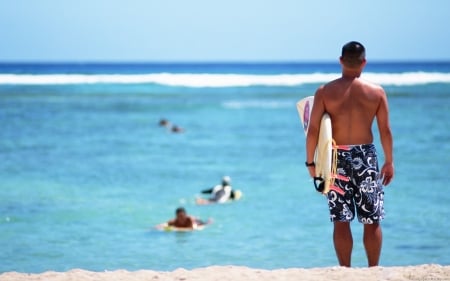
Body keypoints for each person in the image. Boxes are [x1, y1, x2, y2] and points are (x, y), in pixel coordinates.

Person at [305, 41, 394, 267]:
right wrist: (389, 161)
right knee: (371, 219)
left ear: (341, 61)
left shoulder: (325, 92)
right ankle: (373, 270)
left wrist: (311, 163)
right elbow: (385, 130)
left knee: (341, 220)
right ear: (364, 62)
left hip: (336, 160)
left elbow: (313, 129)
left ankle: (345, 271)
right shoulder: (377, 92)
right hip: (367, 158)